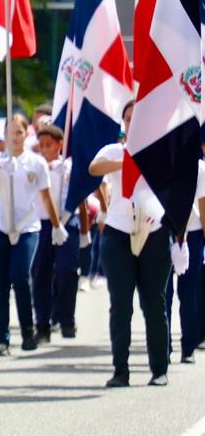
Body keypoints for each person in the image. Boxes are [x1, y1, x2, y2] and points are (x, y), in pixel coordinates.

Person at [88, 101, 170, 387]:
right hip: (118, 230)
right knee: (120, 303)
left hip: (152, 231)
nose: (133, 122)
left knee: (153, 301)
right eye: (128, 118)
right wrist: (127, 161)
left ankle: (160, 369)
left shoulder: (161, 150)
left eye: (139, 118)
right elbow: (94, 167)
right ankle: (120, 370)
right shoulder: (114, 151)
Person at [0, 114, 65, 355]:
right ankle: (2, 338)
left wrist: (57, 225)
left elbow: (45, 195)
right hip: (0, 226)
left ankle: (28, 331)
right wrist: (0, 165)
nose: (14, 137)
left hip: (27, 227)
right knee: (0, 282)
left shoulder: (36, 163)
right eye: (10, 132)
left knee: (19, 277)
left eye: (19, 132)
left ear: (25, 135)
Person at [32, 124, 89, 340]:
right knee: (40, 274)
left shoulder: (69, 167)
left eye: (49, 145)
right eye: (42, 145)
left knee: (66, 271)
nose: (45, 149)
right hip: (42, 224)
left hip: (68, 222)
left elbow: (80, 198)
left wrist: (84, 231)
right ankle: (43, 324)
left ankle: (67, 319)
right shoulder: (36, 166)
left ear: (60, 145)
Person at [166, 152, 205, 363]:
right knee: (165, 293)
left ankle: (188, 346)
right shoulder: (162, 163)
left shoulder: (199, 167)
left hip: (193, 233)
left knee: (188, 292)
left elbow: (202, 204)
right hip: (165, 232)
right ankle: (164, 347)